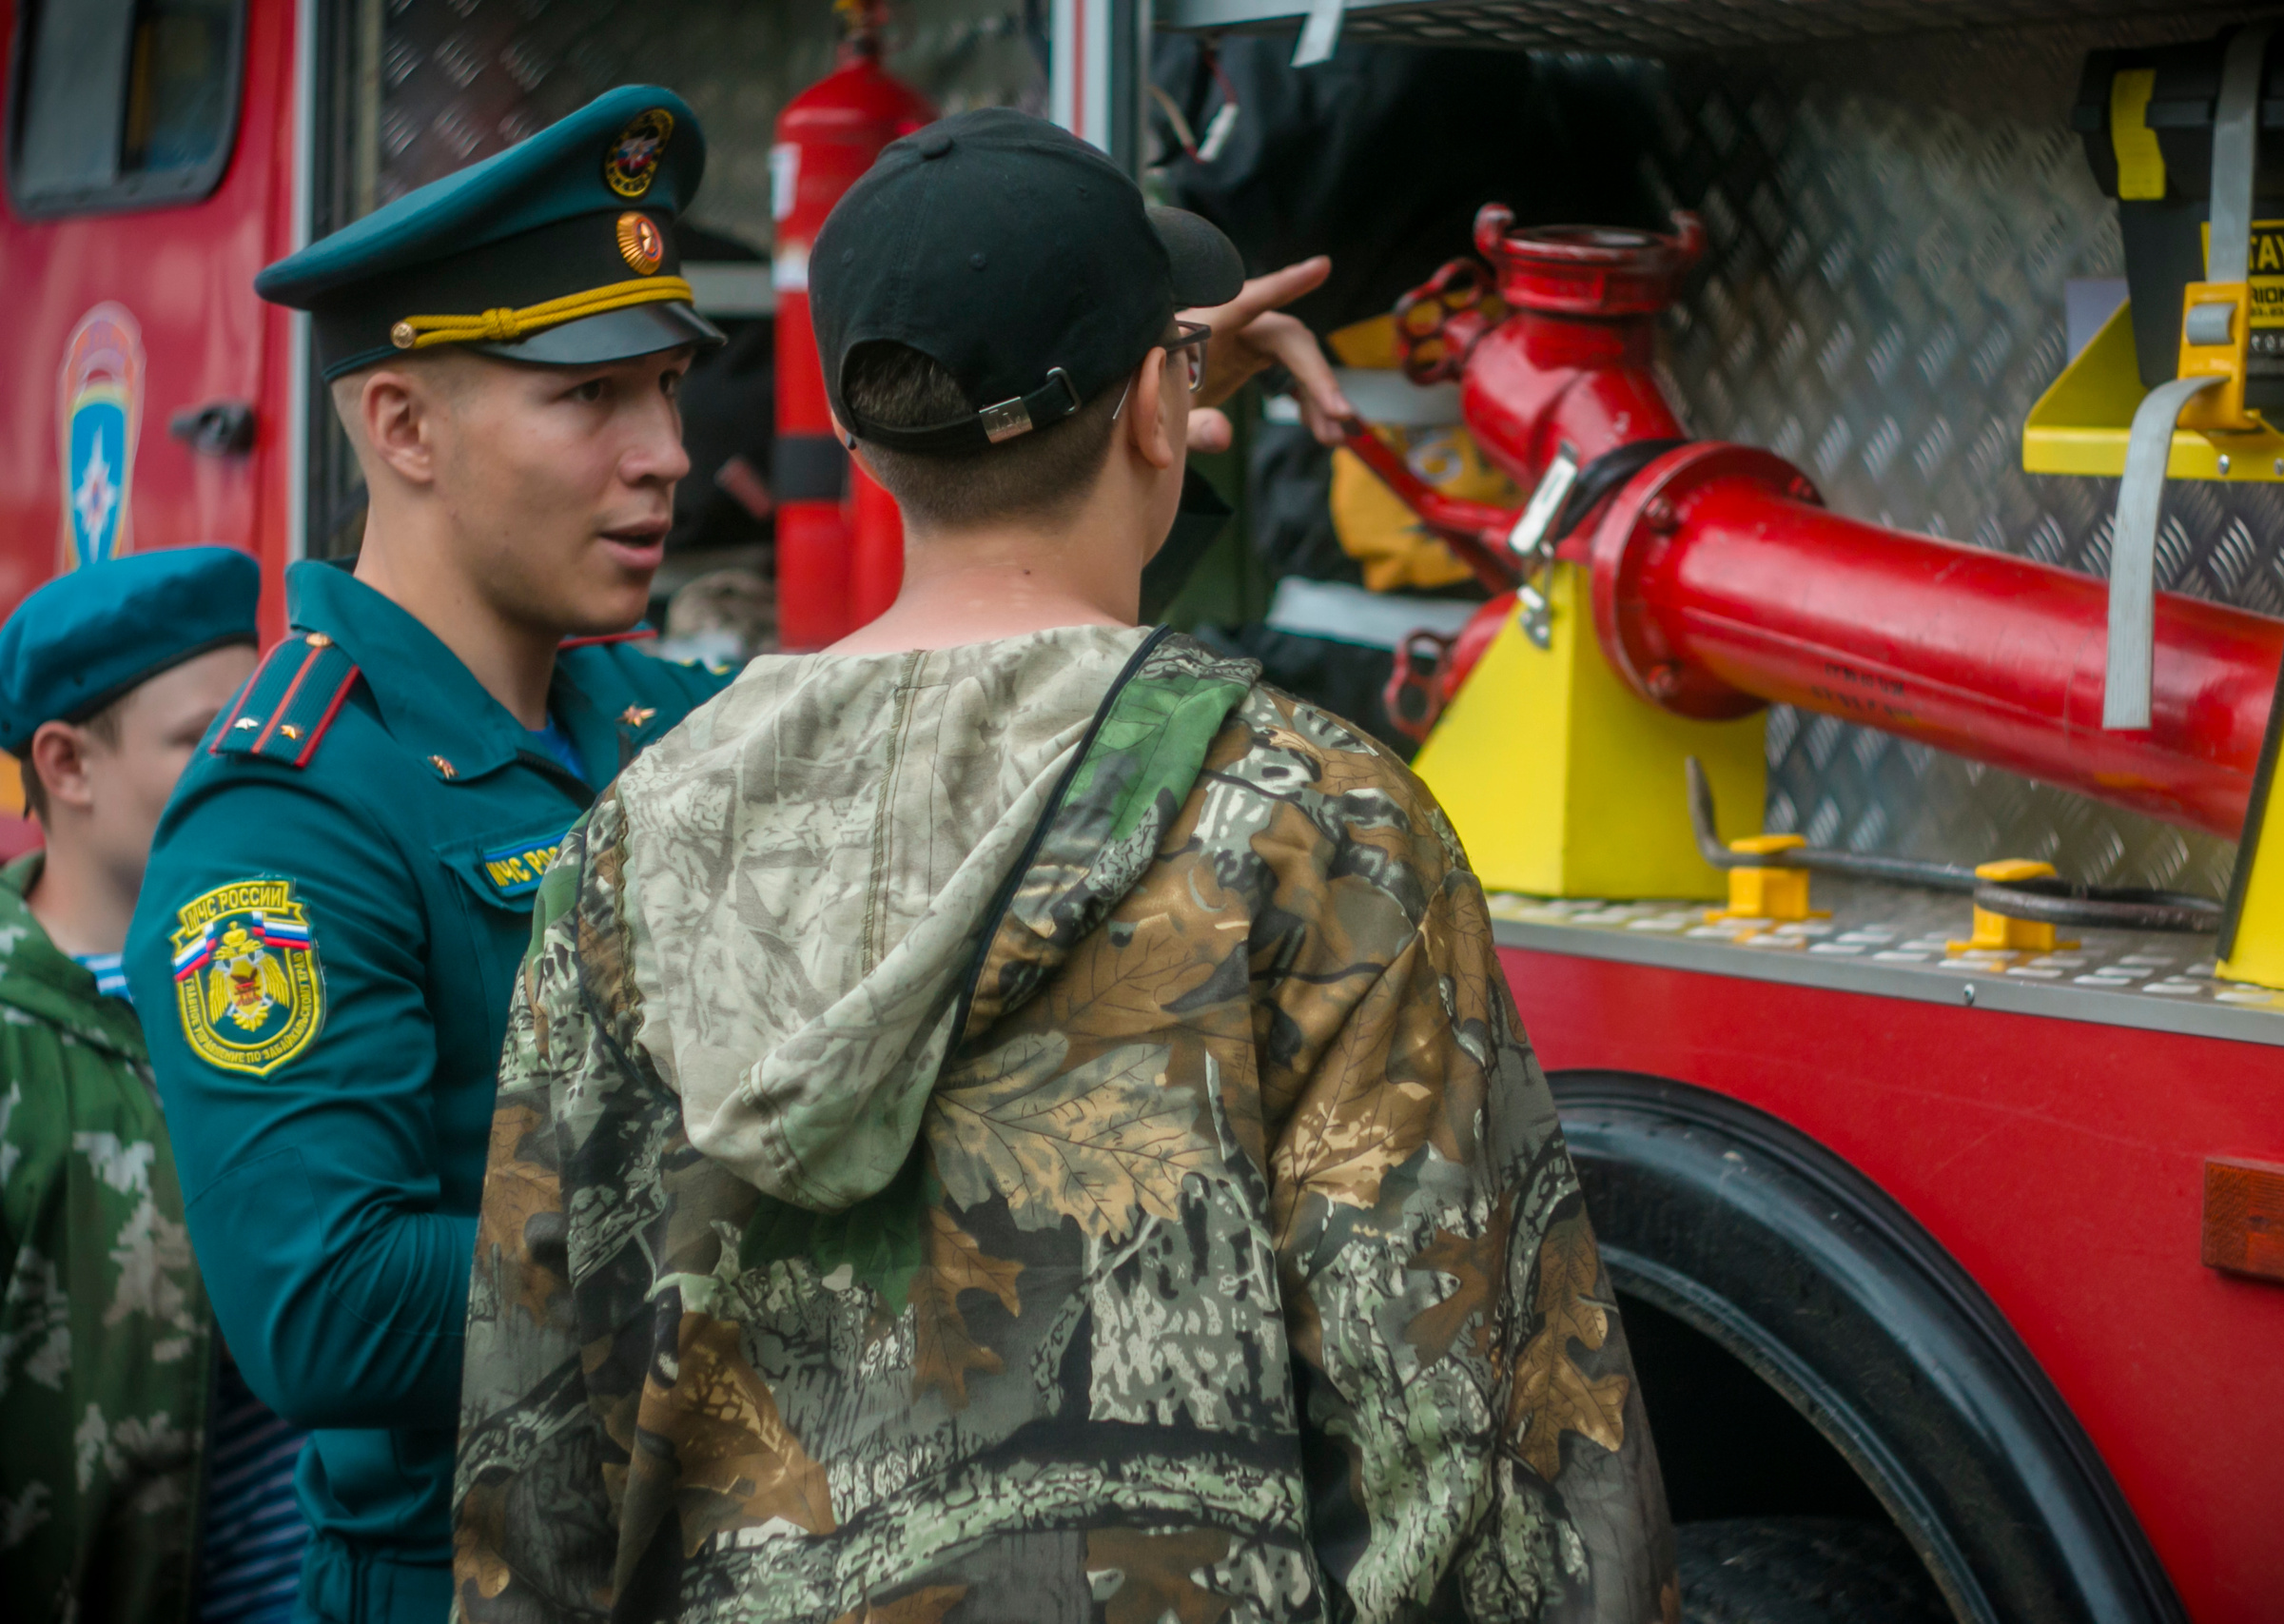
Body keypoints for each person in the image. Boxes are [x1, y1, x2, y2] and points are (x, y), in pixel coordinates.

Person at [453, 108, 1675, 1622]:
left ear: (856, 437)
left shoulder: (637, 836)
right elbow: (1478, 1442)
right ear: (1165, 412)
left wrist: (1130, 398)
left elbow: (536, 1441)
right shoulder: (1308, 818)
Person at [126, 88, 738, 1624]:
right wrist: (759, 1222)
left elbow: (958, 732)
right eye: (587, 398)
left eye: (666, 389)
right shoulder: (289, 814)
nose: (665, 452)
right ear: (400, 426)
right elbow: (323, 1304)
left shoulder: (659, 713)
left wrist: (1110, 457)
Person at [0, 546, 317, 1624]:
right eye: (202, 739)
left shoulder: (299, 966)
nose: (254, 765)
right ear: (67, 764)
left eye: (260, 726)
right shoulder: (15, 1043)